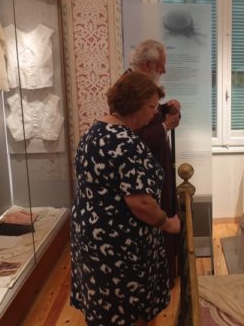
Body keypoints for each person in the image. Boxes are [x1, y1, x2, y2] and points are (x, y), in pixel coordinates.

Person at [70, 71, 181, 326]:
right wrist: (167, 223)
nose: (154, 113)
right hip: (119, 247)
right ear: (134, 104)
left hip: (90, 236)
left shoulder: (94, 132)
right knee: (127, 310)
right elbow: (140, 203)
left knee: (104, 306)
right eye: (151, 107)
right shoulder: (126, 142)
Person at [128, 39, 181, 287]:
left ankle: (166, 275)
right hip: (143, 174)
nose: (165, 71)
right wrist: (164, 126)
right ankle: (159, 280)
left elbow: (152, 116)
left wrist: (169, 108)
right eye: (161, 66)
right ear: (148, 65)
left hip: (157, 167)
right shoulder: (129, 87)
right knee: (156, 222)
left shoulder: (142, 85)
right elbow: (134, 136)